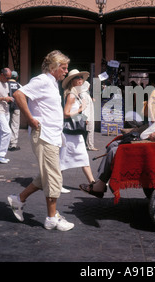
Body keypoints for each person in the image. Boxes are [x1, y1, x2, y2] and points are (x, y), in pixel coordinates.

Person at [7, 50, 74, 232]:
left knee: (46, 175)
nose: (66, 71)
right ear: (53, 67)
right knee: (53, 176)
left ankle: (18, 199)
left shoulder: (52, 83)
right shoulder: (42, 80)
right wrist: (29, 118)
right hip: (44, 135)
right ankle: (51, 218)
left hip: (51, 135)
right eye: (63, 68)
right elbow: (19, 94)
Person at [79, 86, 155, 198]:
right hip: (145, 142)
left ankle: (100, 185)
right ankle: (100, 181)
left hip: (150, 147)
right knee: (113, 145)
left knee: (114, 151)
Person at [59, 69, 95, 193]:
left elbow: (72, 113)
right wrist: (80, 110)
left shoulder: (75, 94)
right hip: (70, 134)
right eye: (77, 78)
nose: (80, 80)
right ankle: (56, 184)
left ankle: (92, 183)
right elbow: (66, 114)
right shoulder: (71, 95)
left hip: (74, 133)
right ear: (72, 81)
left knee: (83, 157)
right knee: (63, 159)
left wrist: (82, 117)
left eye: (81, 77)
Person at [78, 80, 98, 151]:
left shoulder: (86, 94)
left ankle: (88, 145)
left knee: (89, 131)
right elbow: (84, 107)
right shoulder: (83, 94)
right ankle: (90, 146)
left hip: (89, 115)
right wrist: (85, 118)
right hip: (87, 116)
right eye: (88, 86)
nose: (89, 88)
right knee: (89, 131)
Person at [8, 71, 22, 151]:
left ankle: (5, 143)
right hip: (16, 107)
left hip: (6, 107)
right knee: (15, 125)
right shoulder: (19, 85)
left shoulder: (5, 85)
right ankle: (13, 144)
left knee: (6, 125)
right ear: (17, 77)